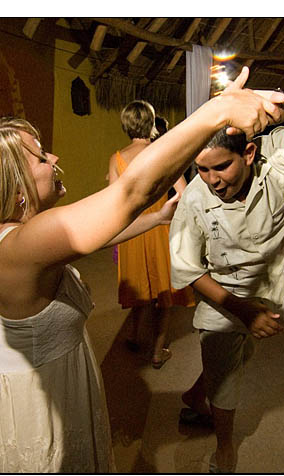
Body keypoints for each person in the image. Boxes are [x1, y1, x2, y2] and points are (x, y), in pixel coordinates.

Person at [0, 66, 284, 472]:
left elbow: (96, 236)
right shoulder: (24, 246)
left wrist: (155, 220)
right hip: (45, 412)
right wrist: (215, 113)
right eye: (41, 155)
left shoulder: (11, 239)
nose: (55, 157)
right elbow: (133, 190)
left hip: (44, 389)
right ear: (13, 187)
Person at [169, 88, 284, 472]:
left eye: (221, 167)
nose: (212, 180)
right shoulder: (195, 200)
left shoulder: (276, 159)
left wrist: (279, 100)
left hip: (268, 293)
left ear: (249, 153)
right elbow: (188, 271)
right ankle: (224, 446)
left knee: (235, 360)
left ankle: (193, 396)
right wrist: (242, 311)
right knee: (227, 378)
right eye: (201, 169)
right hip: (223, 301)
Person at [108, 100, 194, 369]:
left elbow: (114, 200)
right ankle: (158, 351)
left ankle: (133, 336)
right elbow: (185, 192)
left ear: (126, 125)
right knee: (163, 293)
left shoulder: (117, 158)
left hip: (133, 231)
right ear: (151, 122)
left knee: (140, 288)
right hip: (160, 228)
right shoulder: (163, 153)